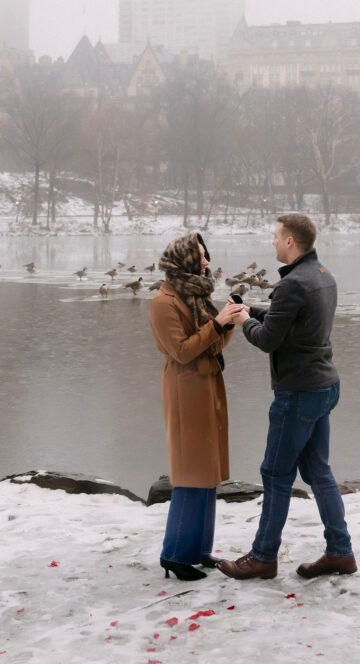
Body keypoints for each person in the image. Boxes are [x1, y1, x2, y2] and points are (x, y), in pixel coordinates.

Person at [217, 213, 356, 580]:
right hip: (324, 386)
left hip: (298, 392)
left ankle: (263, 557)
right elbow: (288, 320)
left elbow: (267, 339)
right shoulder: (323, 276)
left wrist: (240, 322)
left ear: (291, 241)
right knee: (317, 471)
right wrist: (251, 310)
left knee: (276, 474)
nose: (274, 243)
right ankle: (340, 552)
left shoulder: (293, 284)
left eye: (276, 237)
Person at [150, 232, 238, 581]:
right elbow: (182, 351)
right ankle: (175, 554)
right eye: (200, 256)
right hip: (185, 389)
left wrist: (227, 320)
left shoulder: (196, 294)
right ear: (183, 260)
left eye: (205, 255)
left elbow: (213, 344)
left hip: (206, 384)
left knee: (207, 473)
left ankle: (199, 550)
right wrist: (218, 323)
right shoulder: (164, 302)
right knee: (190, 474)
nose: (206, 261)